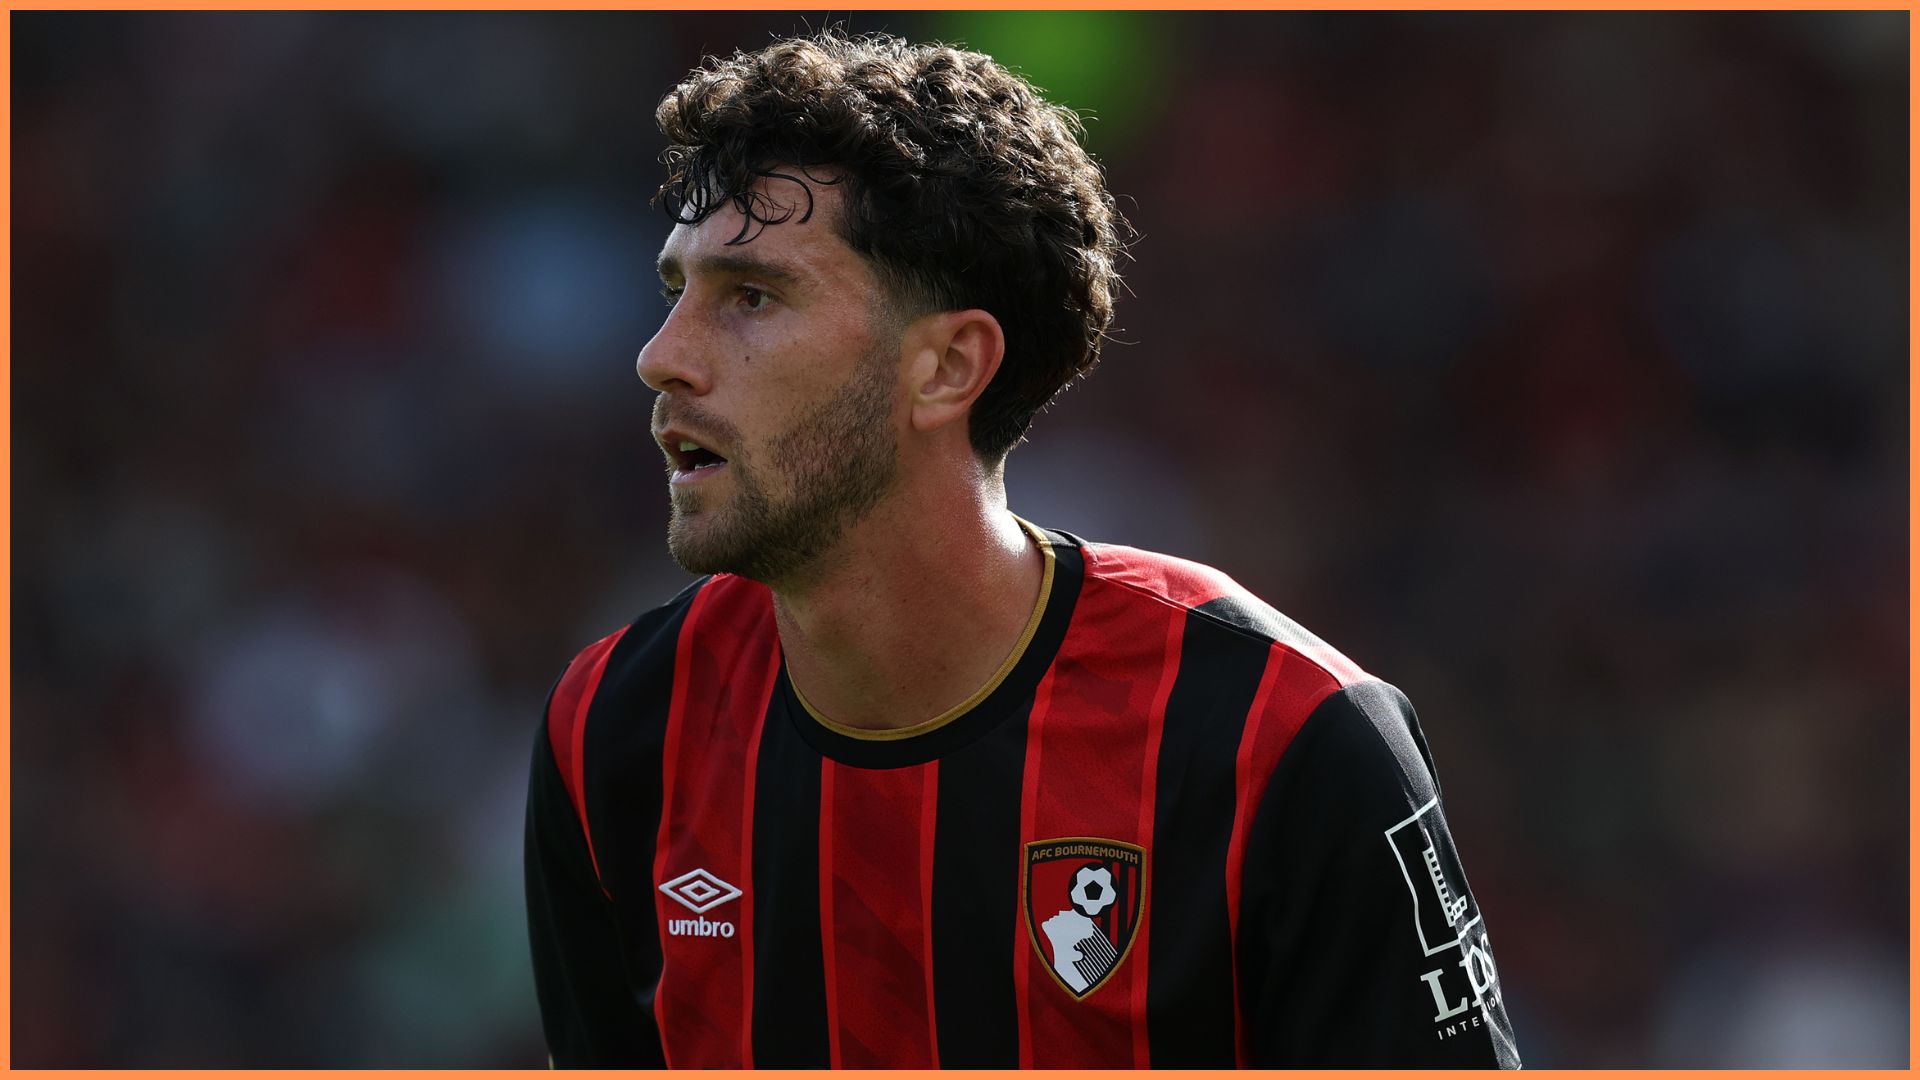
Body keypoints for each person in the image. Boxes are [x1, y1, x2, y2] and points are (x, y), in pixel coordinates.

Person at [524, 30, 1520, 1069]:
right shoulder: (613, 730)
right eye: (676, 292)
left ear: (949, 367)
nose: (661, 357)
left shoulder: (1280, 736)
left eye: (752, 296)